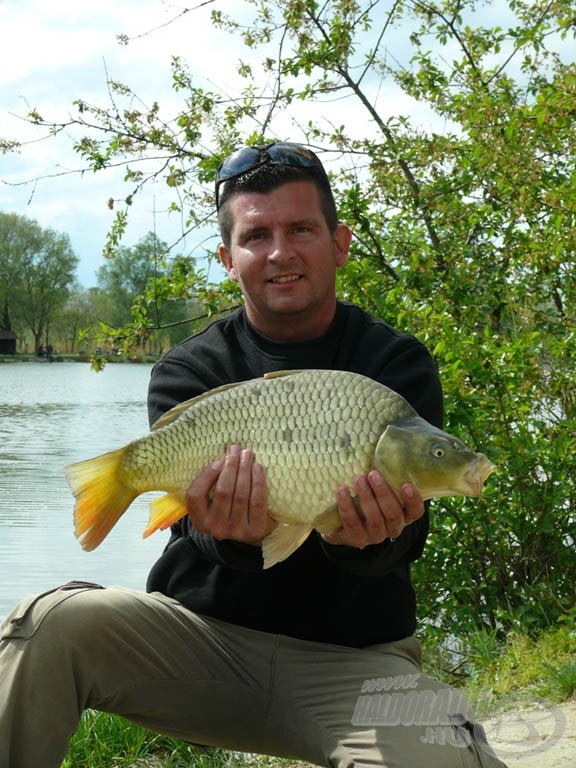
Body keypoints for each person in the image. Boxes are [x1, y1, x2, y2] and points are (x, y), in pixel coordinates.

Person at [0, 142, 507, 768]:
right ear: (227, 259)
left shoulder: (395, 365)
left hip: (358, 667)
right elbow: (192, 526)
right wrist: (234, 536)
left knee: (446, 753)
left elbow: (408, 538)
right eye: (256, 236)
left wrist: (362, 542)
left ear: (340, 242)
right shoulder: (190, 369)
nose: (280, 252)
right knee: (49, 622)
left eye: (301, 229)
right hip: (201, 649)